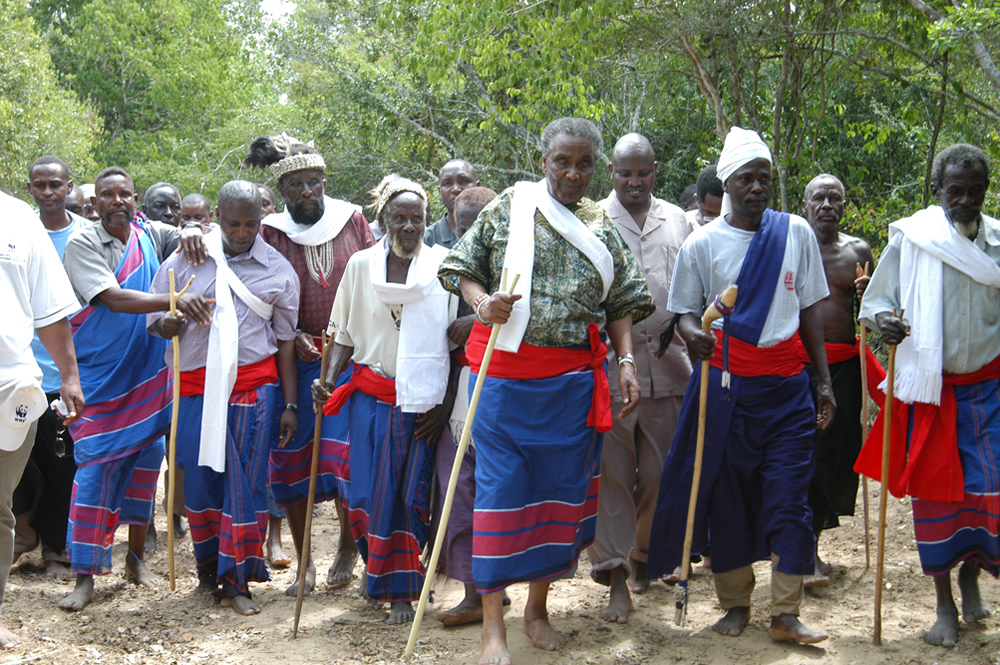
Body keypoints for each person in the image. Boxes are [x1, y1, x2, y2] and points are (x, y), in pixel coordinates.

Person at [438, 116, 655, 664]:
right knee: (499, 496)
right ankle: (493, 627)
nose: (573, 173)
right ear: (544, 162)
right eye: (563, 161)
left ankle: (536, 611)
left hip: (571, 390)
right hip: (504, 385)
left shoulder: (601, 224)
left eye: (584, 164)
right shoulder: (510, 207)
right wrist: (481, 303)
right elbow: (461, 267)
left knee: (558, 498)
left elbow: (622, 303)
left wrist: (627, 361)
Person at [647, 127, 834, 644]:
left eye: (764, 178)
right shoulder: (702, 244)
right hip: (725, 388)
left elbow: (811, 310)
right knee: (728, 496)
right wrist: (694, 337)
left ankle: (786, 612)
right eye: (746, 179)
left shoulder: (795, 232)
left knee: (790, 497)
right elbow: (686, 314)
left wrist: (823, 382)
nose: (757, 187)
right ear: (726, 184)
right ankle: (735, 603)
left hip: (788, 388)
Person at [856, 144, 1000, 648]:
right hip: (931, 393)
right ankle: (944, 606)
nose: (965, 200)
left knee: (989, 492)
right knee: (936, 498)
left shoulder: (998, 242)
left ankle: (971, 577)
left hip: (990, 390)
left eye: (975, 190)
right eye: (955, 190)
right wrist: (886, 322)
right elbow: (876, 304)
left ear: (986, 191)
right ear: (936, 190)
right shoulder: (913, 239)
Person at [58, 166, 211, 612]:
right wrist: (174, 300)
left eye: (125, 194)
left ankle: (136, 560)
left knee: (145, 467)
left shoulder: (150, 233)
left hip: (148, 376)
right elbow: (113, 298)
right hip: (101, 380)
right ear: (95, 203)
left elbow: (191, 233)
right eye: (108, 195)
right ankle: (84, 575)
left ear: (135, 199)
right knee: (94, 476)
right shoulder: (83, 243)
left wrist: (193, 229)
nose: (117, 202)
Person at [148, 180, 299, 615]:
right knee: (200, 482)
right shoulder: (185, 259)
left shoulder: (277, 269)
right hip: (195, 390)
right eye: (233, 223)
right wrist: (173, 319)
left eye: (251, 224)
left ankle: (236, 580)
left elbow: (285, 341)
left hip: (254, 391)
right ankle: (207, 569)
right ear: (216, 216)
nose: (242, 233)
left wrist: (290, 405)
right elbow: (156, 320)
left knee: (245, 486)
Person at [313, 176, 456, 624]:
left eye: (417, 219)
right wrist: (327, 381)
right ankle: (376, 568)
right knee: (366, 494)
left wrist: (445, 405)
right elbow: (343, 334)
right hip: (370, 401)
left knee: (409, 497)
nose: (409, 226)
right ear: (383, 220)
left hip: (422, 404)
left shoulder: (443, 267)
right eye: (400, 218)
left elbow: (456, 347)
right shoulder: (360, 266)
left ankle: (402, 592)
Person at [244, 133, 373, 596]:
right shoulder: (271, 232)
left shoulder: (352, 219)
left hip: (351, 357)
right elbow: (258, 292)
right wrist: (292, 330)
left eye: (313, 182)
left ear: (324, 182)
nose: (306, 192)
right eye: (295, 185)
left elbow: (374, 276)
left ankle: (347, 547)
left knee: (344, 459)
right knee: (290, 461)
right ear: (281, 191)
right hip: (293, 362)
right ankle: (304, 563)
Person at [591, 134, 696, 624]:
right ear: (611, 173)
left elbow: (692, 290)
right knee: (614, 474)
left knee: (659, 472)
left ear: (656, 171)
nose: (634, 182)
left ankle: (643, 552)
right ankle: (615, 575)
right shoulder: (591, 220)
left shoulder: (678, 220)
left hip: (669, 365)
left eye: (643, 173)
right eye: (624, 173)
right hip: (611, 369)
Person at [0, 189, 85, 648]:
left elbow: (49, 310)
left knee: (0, 506)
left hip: (9, 388)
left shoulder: (18, 219)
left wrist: (69, 376)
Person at [11, 156, 88, 581]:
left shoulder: (84, 236)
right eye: (38, 185)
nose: (47, 192)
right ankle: (24, 537)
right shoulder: (19, 229)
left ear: (69, 187)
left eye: (55, 184)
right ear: (29, 189)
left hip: (62, 372)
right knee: (24, 468)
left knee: (61, 467)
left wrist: (72, 373)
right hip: (20, 373)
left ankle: (57, 549)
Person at [426, 186, 500, 626]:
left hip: (505, 386)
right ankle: (474, 591)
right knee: (458, 488)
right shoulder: (443, 265)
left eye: (479, 225)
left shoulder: (514, 264)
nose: (469, 234)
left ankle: (495, 588)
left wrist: (480, 317)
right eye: (462, 225)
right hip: (455, 389)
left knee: (495, 491)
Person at [797, 174, 876, 588]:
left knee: (835, 454)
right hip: (798, 366)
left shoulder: (857, 252)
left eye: (834, 198)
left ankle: (811, 545)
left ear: (844, 207)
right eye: (819, 198)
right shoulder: (791, 246)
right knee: (804, 453)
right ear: (805, 205)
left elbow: (872, 314)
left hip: (843, 368)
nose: (826, 205)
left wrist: (868, 292)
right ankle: (802, 551)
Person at [425, 159, 479, 248]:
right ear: (440, 192)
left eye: (464, 181)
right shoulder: (427, 239)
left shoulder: (492, 231)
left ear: (478, 187)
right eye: (447, 183)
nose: (456, 189)